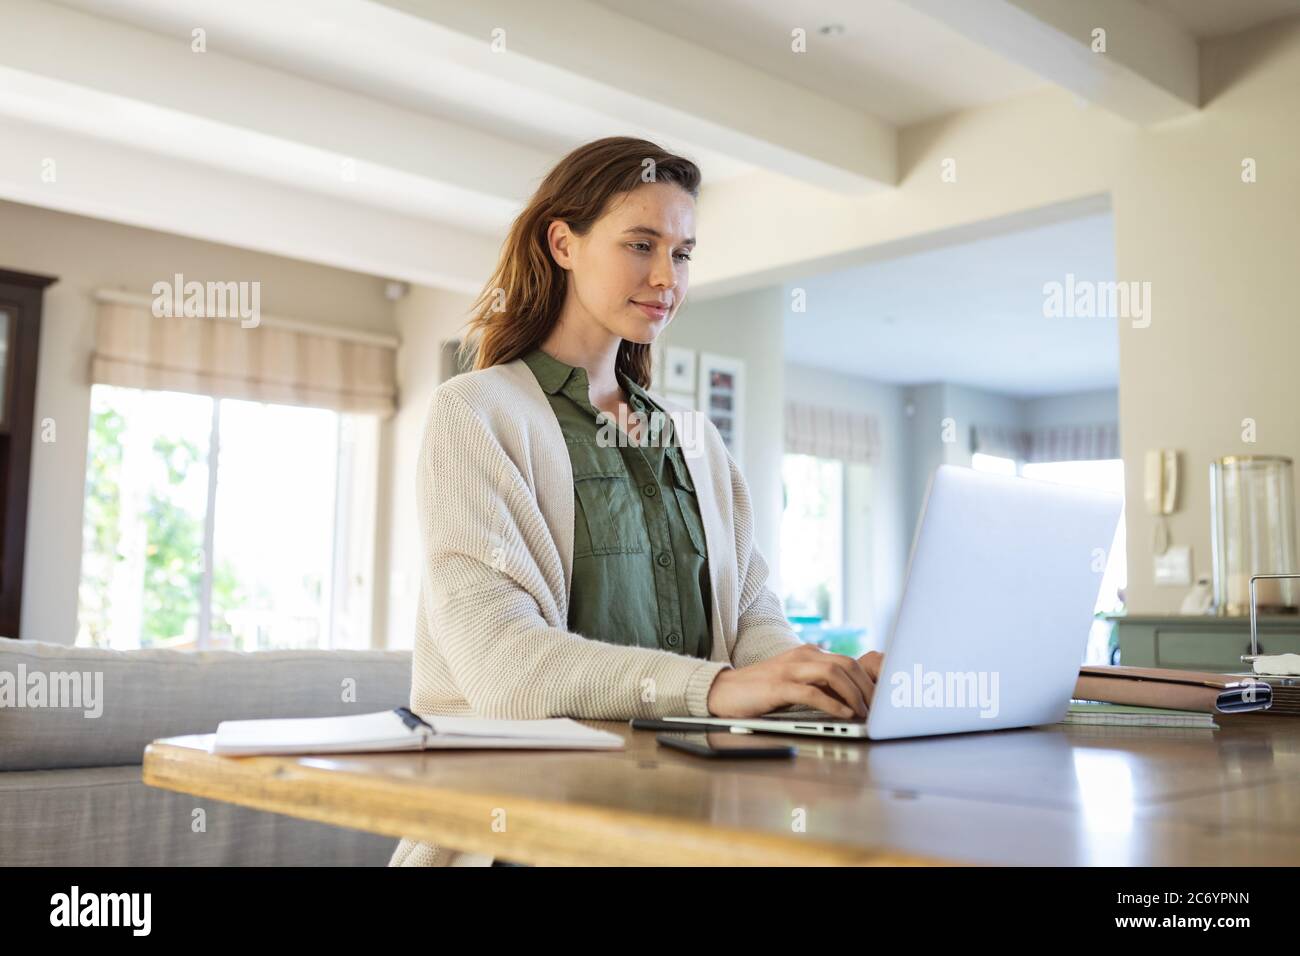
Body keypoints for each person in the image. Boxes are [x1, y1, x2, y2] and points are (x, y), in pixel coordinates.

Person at [390, 136, 881, 867]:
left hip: (692, 819)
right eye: (641, 244)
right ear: (563, 242)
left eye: (682, 254)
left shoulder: (695, 440)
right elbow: (503, 668)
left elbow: (751, 621)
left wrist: (817, 680)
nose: (665, 278)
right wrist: (718, 690)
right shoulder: (477, 414)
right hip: (525, 830)